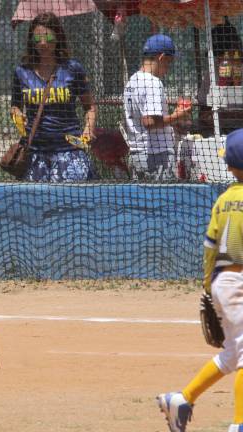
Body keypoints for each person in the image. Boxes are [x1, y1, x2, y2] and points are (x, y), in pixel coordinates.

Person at [156, 128, 243, 432]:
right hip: (239, 282)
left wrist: (208, 286)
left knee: (233, 354)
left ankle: (182, 399)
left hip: (222, 281)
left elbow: (210, 247)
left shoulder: (223, 200)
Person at [10, 12, 97, 182]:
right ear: (31, 40)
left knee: (71, 197)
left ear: (57, 38)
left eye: (48, 37)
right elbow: (15, 106)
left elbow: (90, 106)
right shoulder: (22, 72)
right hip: (35, 153)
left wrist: (89, 128)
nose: (43, 43)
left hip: (69, 152)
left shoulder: (72, 69)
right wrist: (17, 115)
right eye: (37, 39)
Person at [123, 34, 191, 181]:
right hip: (156, 156)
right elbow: (150, 122)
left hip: (137, 155)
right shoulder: (153, 82)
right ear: (162, 57)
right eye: (169, 62)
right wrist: (178, 116)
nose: (168, 68)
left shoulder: (131, 81)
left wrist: (172, 118)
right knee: (166, 196)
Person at [198, 18, 243, 136]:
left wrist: (223, 115)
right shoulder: (212, 73)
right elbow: (203, 113)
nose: (219, 60)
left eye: (225, 55)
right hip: (218, 133)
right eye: (218, 56)